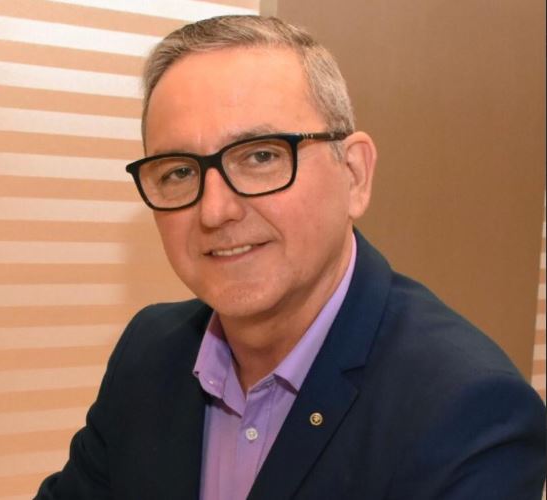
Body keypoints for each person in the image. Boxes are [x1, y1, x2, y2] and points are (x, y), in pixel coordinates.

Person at [35, 15, 546, 500]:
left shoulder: (467, 410)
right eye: (179, 172)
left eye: (261, 155)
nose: (215, 210)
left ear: (354, 175)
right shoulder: (149, 352)